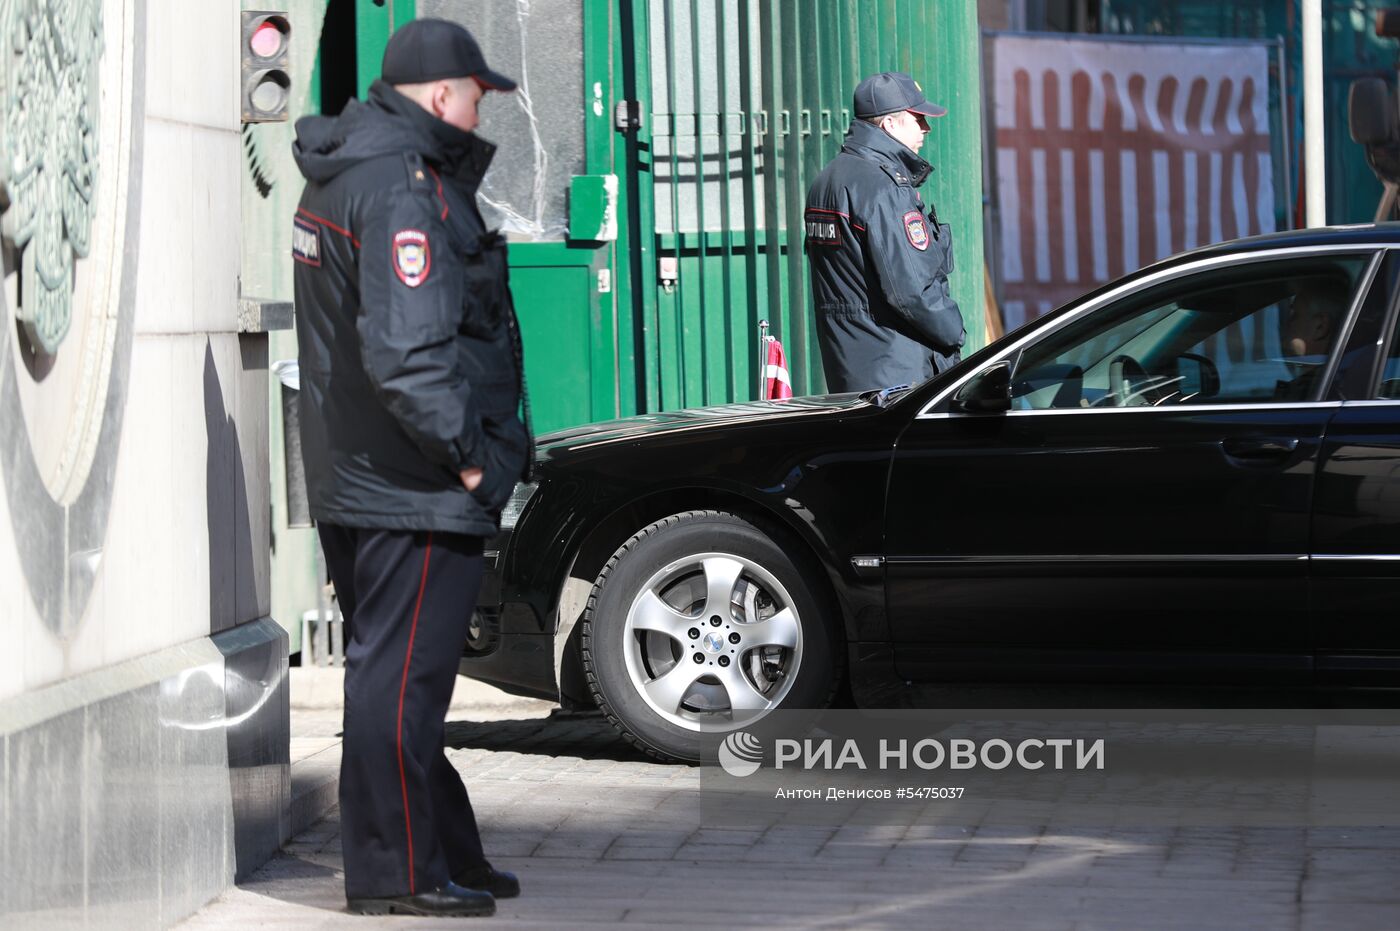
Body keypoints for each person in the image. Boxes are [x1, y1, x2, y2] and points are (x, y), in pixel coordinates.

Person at [291, 17, 532, 918]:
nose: (481, 111)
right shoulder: (402, 188)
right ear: (441, 96)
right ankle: (398, 872)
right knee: (400, 683)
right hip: (413, 484)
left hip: (368, 475)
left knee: (402, 678)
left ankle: (444, 851)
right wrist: (470, 462)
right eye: (477, 94)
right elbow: (406, 353)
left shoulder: (354, 168)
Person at [804, 71, 966, 393]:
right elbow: (912, 292)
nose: (926, 128)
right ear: (889, 125)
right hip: (899, 377)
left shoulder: (828, 180)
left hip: (851, 369)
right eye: (917, 118)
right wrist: (955, 331)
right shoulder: (884, 188)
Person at [1275, 281, 1346, 401]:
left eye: (1294, 315)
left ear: (1320, 326)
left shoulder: (1330, 394)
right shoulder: (1333, 384)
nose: (1286, 324)